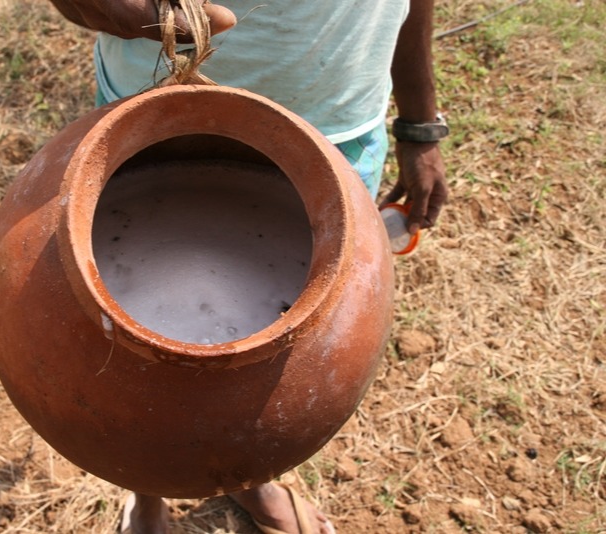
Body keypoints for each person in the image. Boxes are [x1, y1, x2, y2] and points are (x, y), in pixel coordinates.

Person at [45, 1, 449, 532]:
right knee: (125, 362)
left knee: (275, 369)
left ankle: (246, 473)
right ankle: (145, 488)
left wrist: (419, 121)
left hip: (339, 122)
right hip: (149, 105)